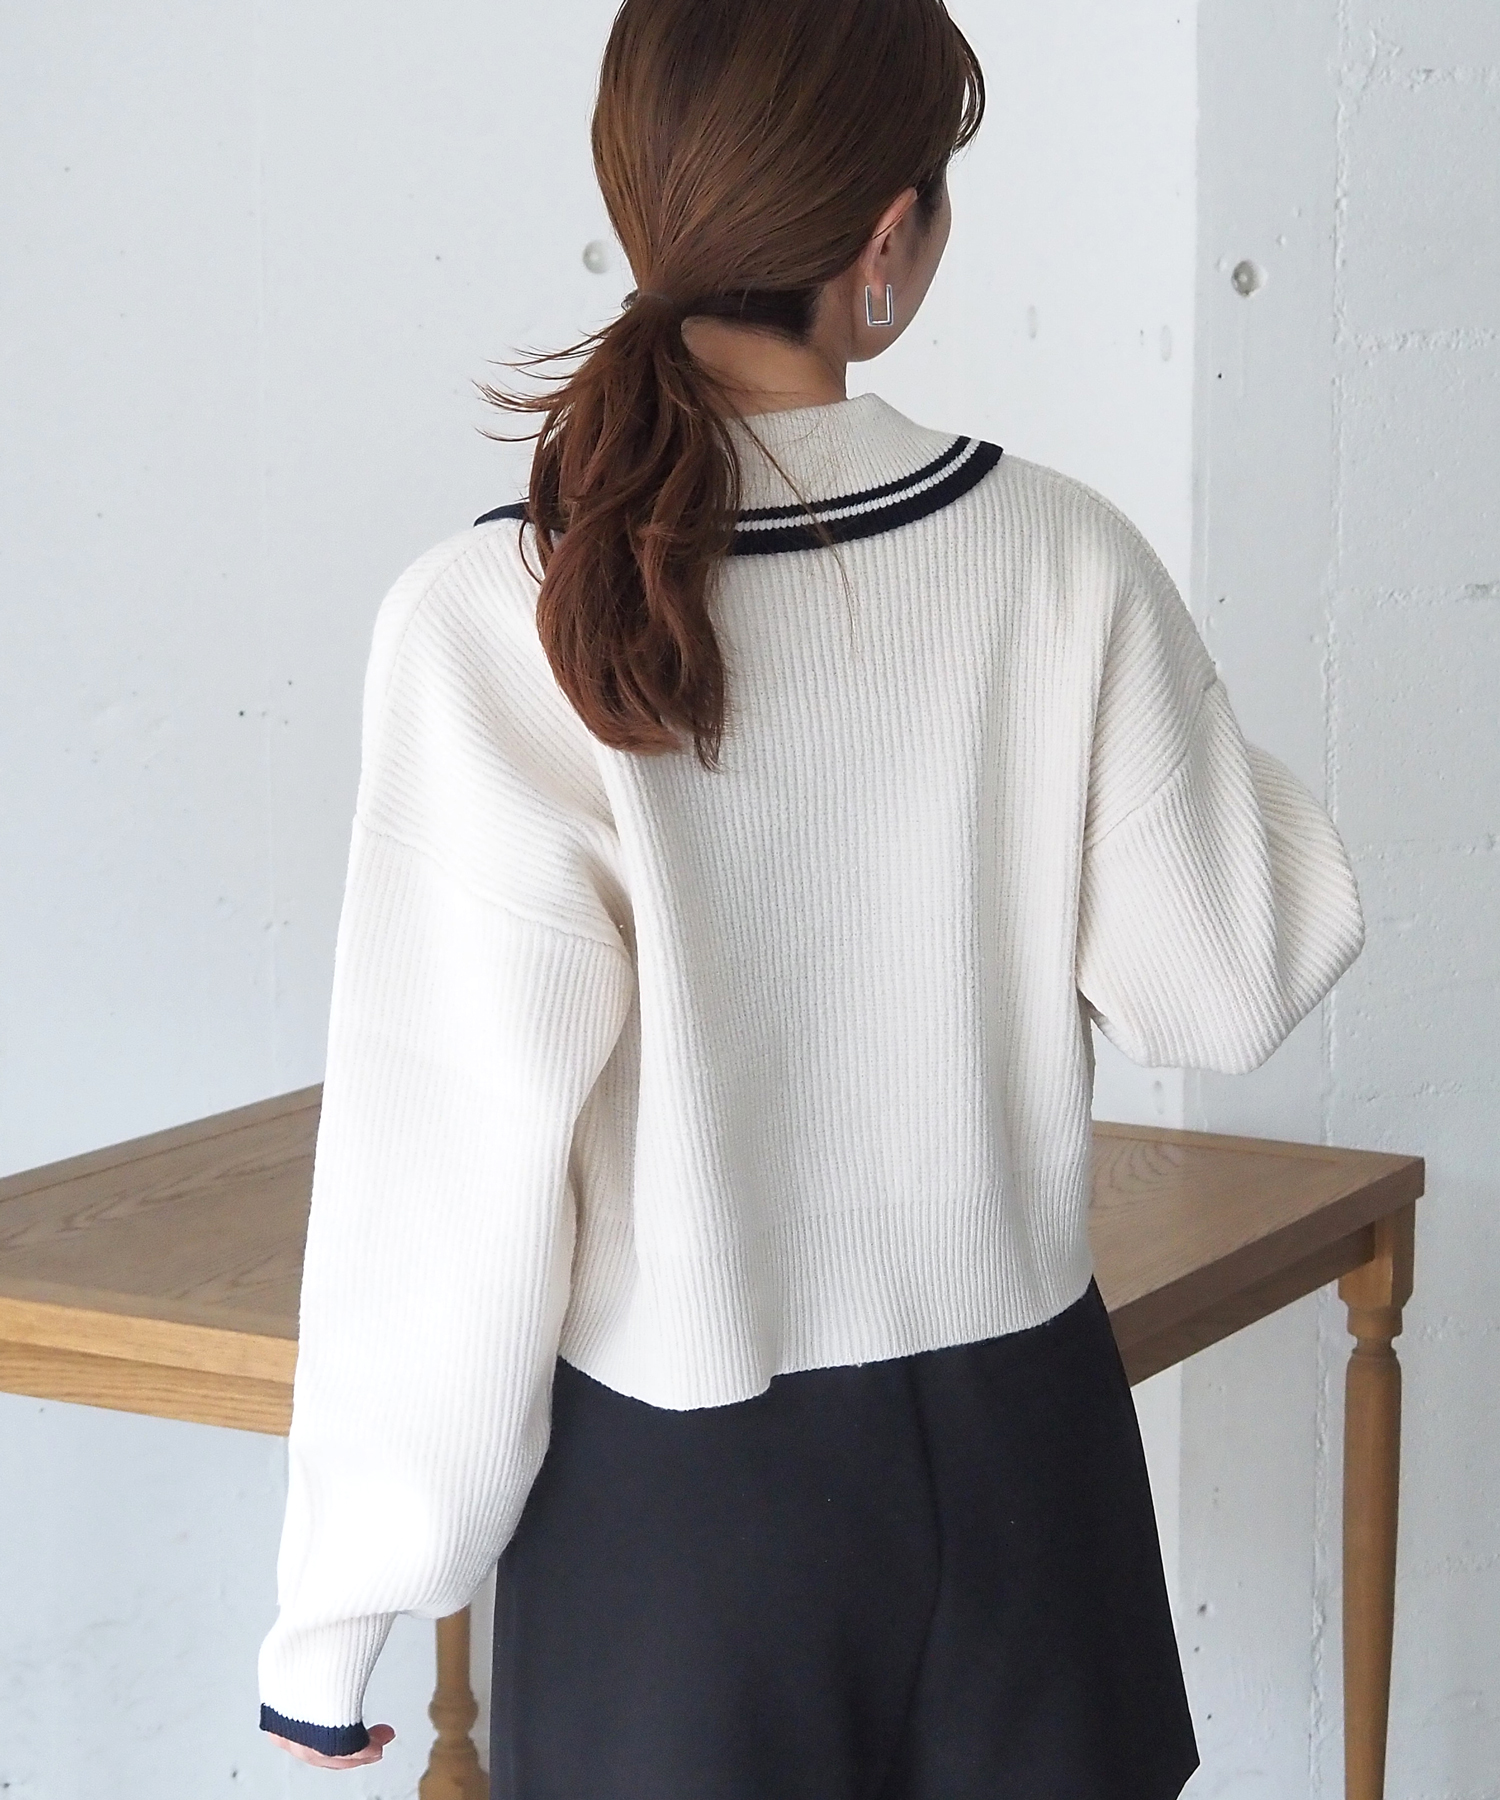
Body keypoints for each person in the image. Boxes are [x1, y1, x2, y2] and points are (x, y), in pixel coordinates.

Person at [258, 0, 1365, 1793]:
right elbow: (1226, 981)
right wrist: (1159, 715)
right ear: (887, 238)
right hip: (1028, 1468)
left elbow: (445, 1159)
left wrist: (340, 1616)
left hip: (677, 1535)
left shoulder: (493, 617)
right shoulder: (1059, 556)